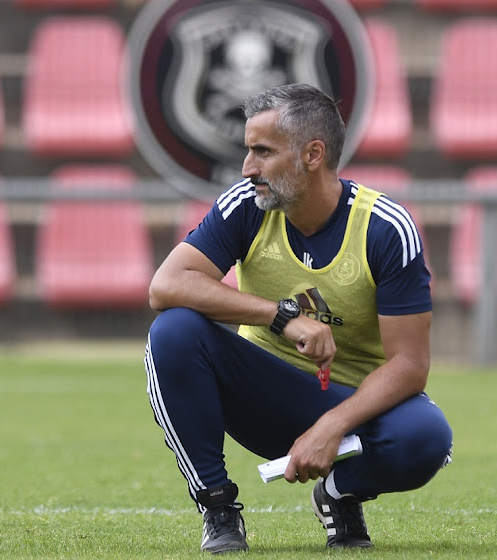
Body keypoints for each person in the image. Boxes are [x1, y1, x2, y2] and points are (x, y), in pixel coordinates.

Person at [143, 83, 453, 554]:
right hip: (267, 397)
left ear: (312, 154)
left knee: (427, 437)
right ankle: (217, 505)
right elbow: (165, 285)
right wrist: (280, 316)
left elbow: (410, 365)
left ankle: (339, 494)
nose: (248, 168)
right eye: (248, 152)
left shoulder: (386, 228)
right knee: (173, 331)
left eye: (262, 152)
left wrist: (332, 425)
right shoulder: (244, 206)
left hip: (353, 409)